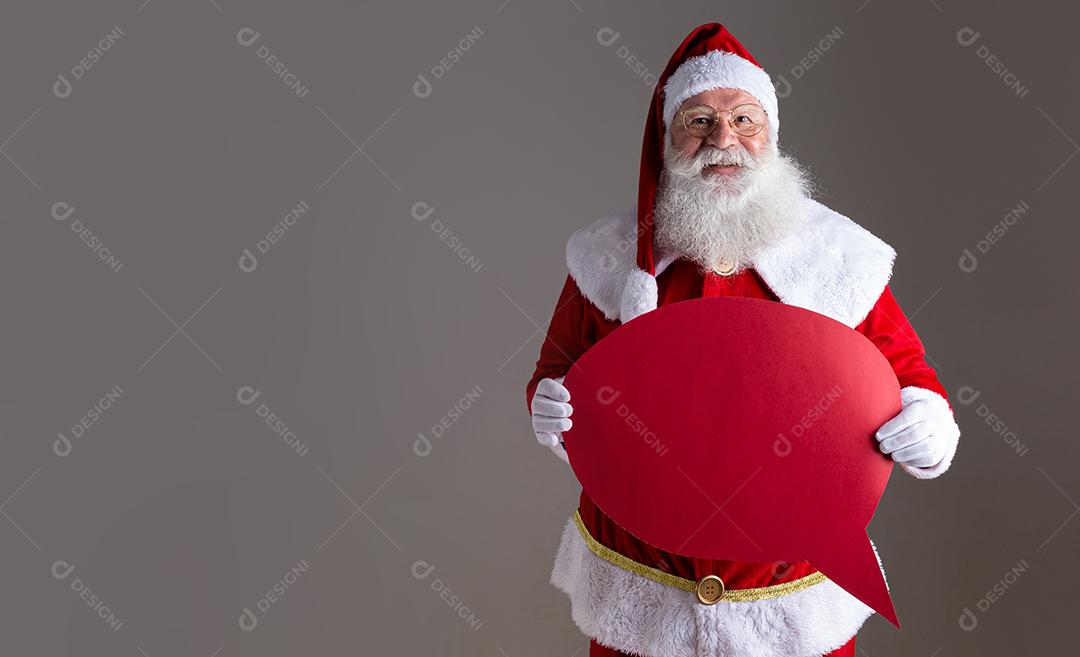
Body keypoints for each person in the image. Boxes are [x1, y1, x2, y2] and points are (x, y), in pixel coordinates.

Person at [525, 23, 961, 657]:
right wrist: (550, 406)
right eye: (698, 121)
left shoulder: (837, 257)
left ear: (772, 136)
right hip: (641, 589)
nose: (723, 140)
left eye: (744, 119)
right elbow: (555, 370)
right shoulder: (607, 259)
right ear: (666, 139)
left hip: (790, 597)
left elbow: (909, 376)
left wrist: (926, 420)